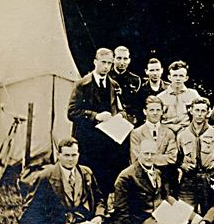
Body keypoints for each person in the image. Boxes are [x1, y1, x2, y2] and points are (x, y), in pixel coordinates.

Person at [15, 138, 105, 224]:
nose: (71, 159)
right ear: (58, 155)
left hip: (85, 221)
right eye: (66, 155)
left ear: (78, 155)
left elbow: (99, 198)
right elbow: (33, 205)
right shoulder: (47, 176)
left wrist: (98, 216)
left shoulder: (86, 173)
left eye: (74, 155)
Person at [67, 47, 127, 197]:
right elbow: (71, 112)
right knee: (88, 176)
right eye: (103, 62)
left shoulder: (114, 85)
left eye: (109, 63)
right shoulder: (82, 84)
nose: (106, 66)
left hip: (109, 140)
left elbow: (120, 108)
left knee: (107, 177)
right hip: (88, 141)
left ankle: (105, 207)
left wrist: (120, 115)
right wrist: (95, 116)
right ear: (95, 62)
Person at [112, 138, 181, 224]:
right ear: (139, 153)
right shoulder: (127, 176)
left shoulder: (157, 172)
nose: (149, 157)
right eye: (146, 153)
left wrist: (181, 210)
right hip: (140, 222)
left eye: (152, 154)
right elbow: (121, 209)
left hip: (159, 214)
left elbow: (165, 196)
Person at [176, 97, 214, 213]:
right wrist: (182, 165)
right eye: (197, 110)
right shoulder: (182, 134)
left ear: (208, 112)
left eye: (203, 111)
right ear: (191, 111)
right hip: (188, 179)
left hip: (208, 177)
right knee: (185, 213)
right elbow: (176, 158)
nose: (199, 114)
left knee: (209, 212)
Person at [130, 96, 179, 194]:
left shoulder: (169, 133)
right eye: (151, 110)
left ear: (162, 112)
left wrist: (149, 158)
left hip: (166, 179)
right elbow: (136, 159)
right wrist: (162, 158)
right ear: (145, 111)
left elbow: (172, 157)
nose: (155, 113)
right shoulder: (136, 133)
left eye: (158, 110)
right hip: (143, 180)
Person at [158, 60, 201, 134]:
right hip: (166, 132)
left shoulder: (193, 95)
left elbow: (201, 114)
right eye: (175, 75)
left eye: (181, 76)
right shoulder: (160, 97)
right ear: (169, 77)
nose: (178, 79)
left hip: (187, 131)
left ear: (186, 78)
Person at [110, 46, 143, 125]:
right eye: (119, 58)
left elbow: (137, 103)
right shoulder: (107, 77)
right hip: (110, 117)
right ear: (113, 59)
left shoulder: (135, 80)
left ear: (129, 60)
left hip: (129, 119)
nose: (122, 62)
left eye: (125, 59)